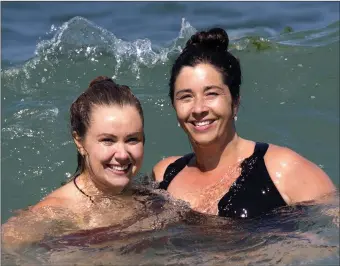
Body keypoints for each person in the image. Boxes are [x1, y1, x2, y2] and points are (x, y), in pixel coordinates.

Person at [153, 28, 336, 219]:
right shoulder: (165, 175)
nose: (198, 109)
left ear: (235, 102)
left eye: (212, 94)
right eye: (186, 97)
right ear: (174, 107)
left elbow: (331, 233)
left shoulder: (283, 169)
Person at [2, 76, 146, 245]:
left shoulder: (149, 195)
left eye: (132, 139)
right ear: (79, 142)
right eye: (108, 140)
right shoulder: (55, 212)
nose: (122, 154)